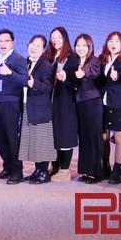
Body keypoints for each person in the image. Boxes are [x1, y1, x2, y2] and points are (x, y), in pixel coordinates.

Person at [0, 29, 28, 184]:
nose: (3, 44)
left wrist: (10, 73)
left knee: (12, 138)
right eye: (0, 41)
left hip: (11, 103)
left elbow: (25, 80)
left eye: (6, 40)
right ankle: (7, 168)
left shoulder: (18, 59)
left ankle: (17, 172)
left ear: (12, 42)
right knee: (0, 137)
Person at [18, 35, 56, 184]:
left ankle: (44, 173)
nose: (34, 48)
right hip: (27, 105)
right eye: (32, 44)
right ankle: (37, 171)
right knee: (33, 140)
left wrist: (35, 84)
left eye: (38, 45)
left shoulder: (46, 65)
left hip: (40, 109)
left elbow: (48, 87)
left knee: (42, 141)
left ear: (43, 49)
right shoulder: (25, 62)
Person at [98, 31, 121, 185]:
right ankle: (105, 166)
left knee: (119, 138)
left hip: (119, 103)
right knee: (103, 137)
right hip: (102, 103)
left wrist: (117, 75)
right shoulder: (102, 59)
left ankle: (116, 171)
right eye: (110, 41)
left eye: (117, 41)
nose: (113, 44)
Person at [45, 27, 79, 182]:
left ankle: (65, 170)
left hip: (65, 102)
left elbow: (75, 79)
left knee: (64, 135)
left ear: (65, 38)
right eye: (53, 37)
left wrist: (65, 77)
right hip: (50, 102)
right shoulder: (48, 56)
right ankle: (56, 166)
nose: (55, 40)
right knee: (53, 135)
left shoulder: (72, 57)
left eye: (58, 37)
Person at [72, 33, 103, 184]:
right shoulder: (74, 60)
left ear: (90, 46)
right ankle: (85, 170)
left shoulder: (94, 60)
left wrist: (83, 72)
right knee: (83, 138)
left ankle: (96, 173)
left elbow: (92, 71)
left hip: (92, 102)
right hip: (79, 103)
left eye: (84, 45)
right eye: (78, 45)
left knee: (93, 138)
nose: (81, 48)